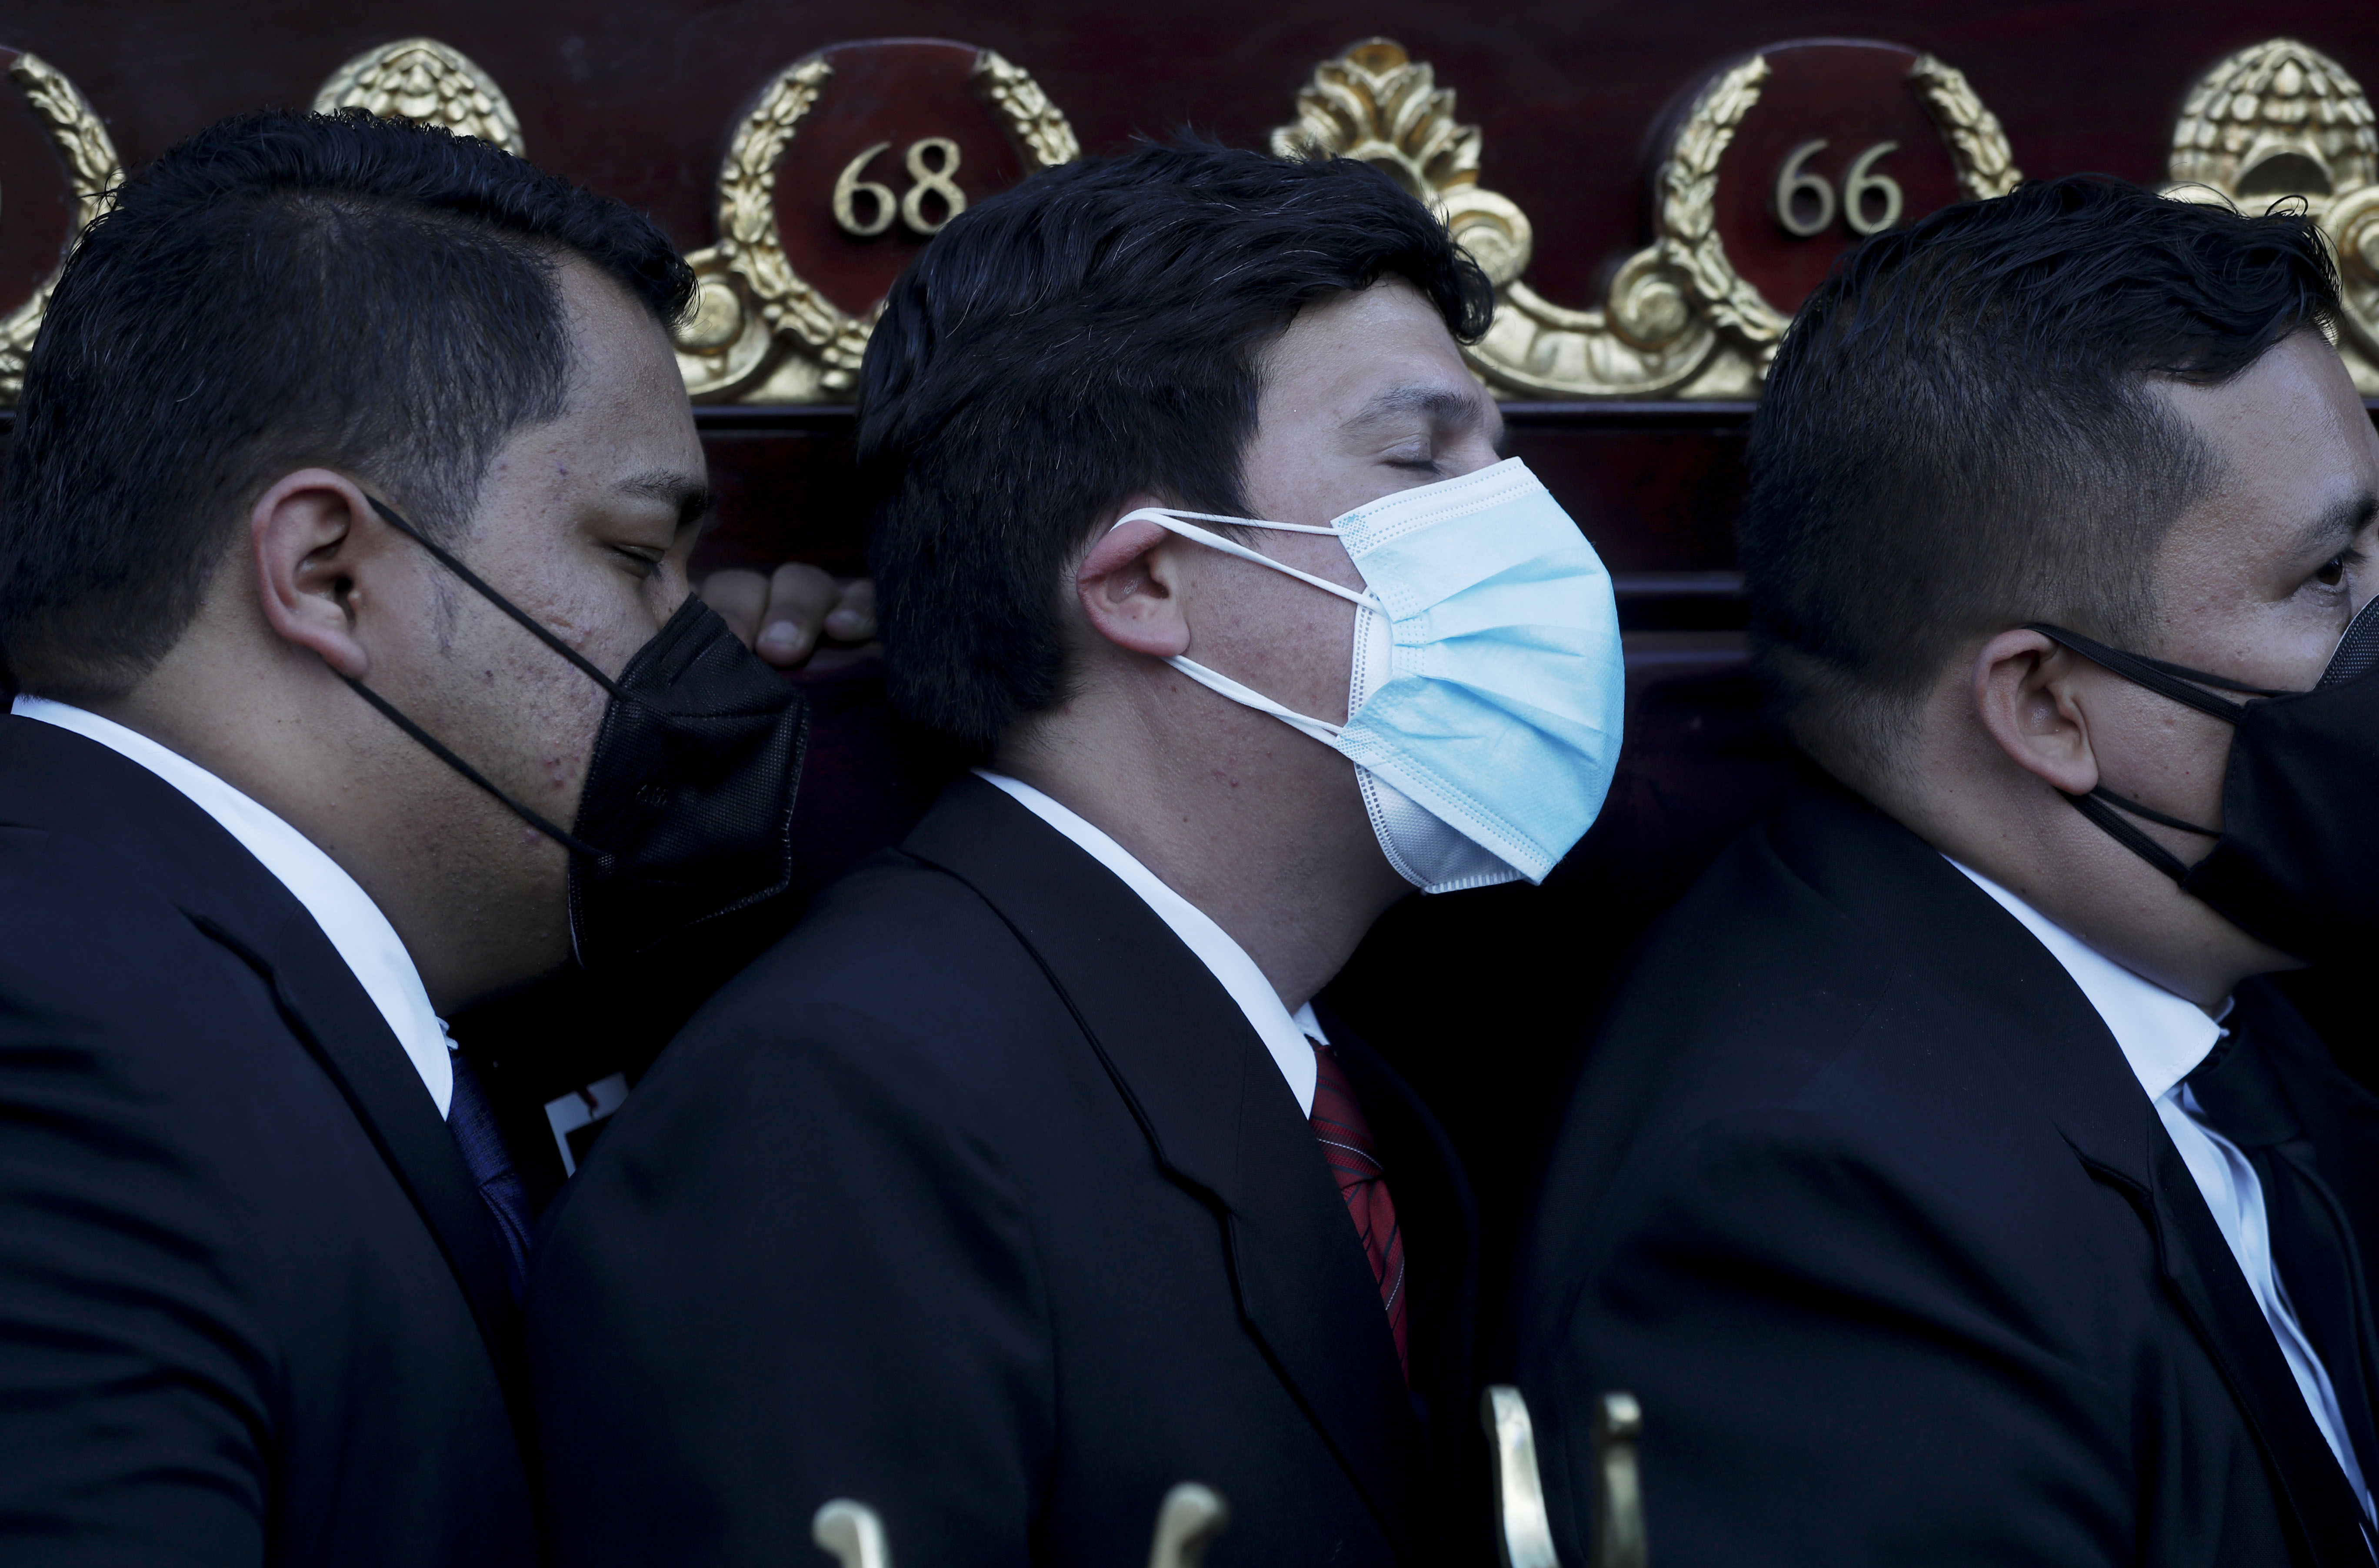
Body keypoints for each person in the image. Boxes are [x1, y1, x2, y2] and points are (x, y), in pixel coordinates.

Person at [528, 142, 1628, 1567]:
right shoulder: (832, 1118)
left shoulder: (1362, 1083)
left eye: (1506, 457)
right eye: (1421, 460)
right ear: (1146, 580)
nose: (1525, 529)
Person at [0, 108, 861, 1563]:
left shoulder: (300, 997)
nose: (698, 647)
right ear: (331, 574)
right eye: (639, 556)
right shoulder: (52, 1054)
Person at [1516, 176, 2379, 1567]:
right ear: (2046, 706)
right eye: (2329, 576)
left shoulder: (2221, 981)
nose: (2374, 616)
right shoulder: (1807, 1214)